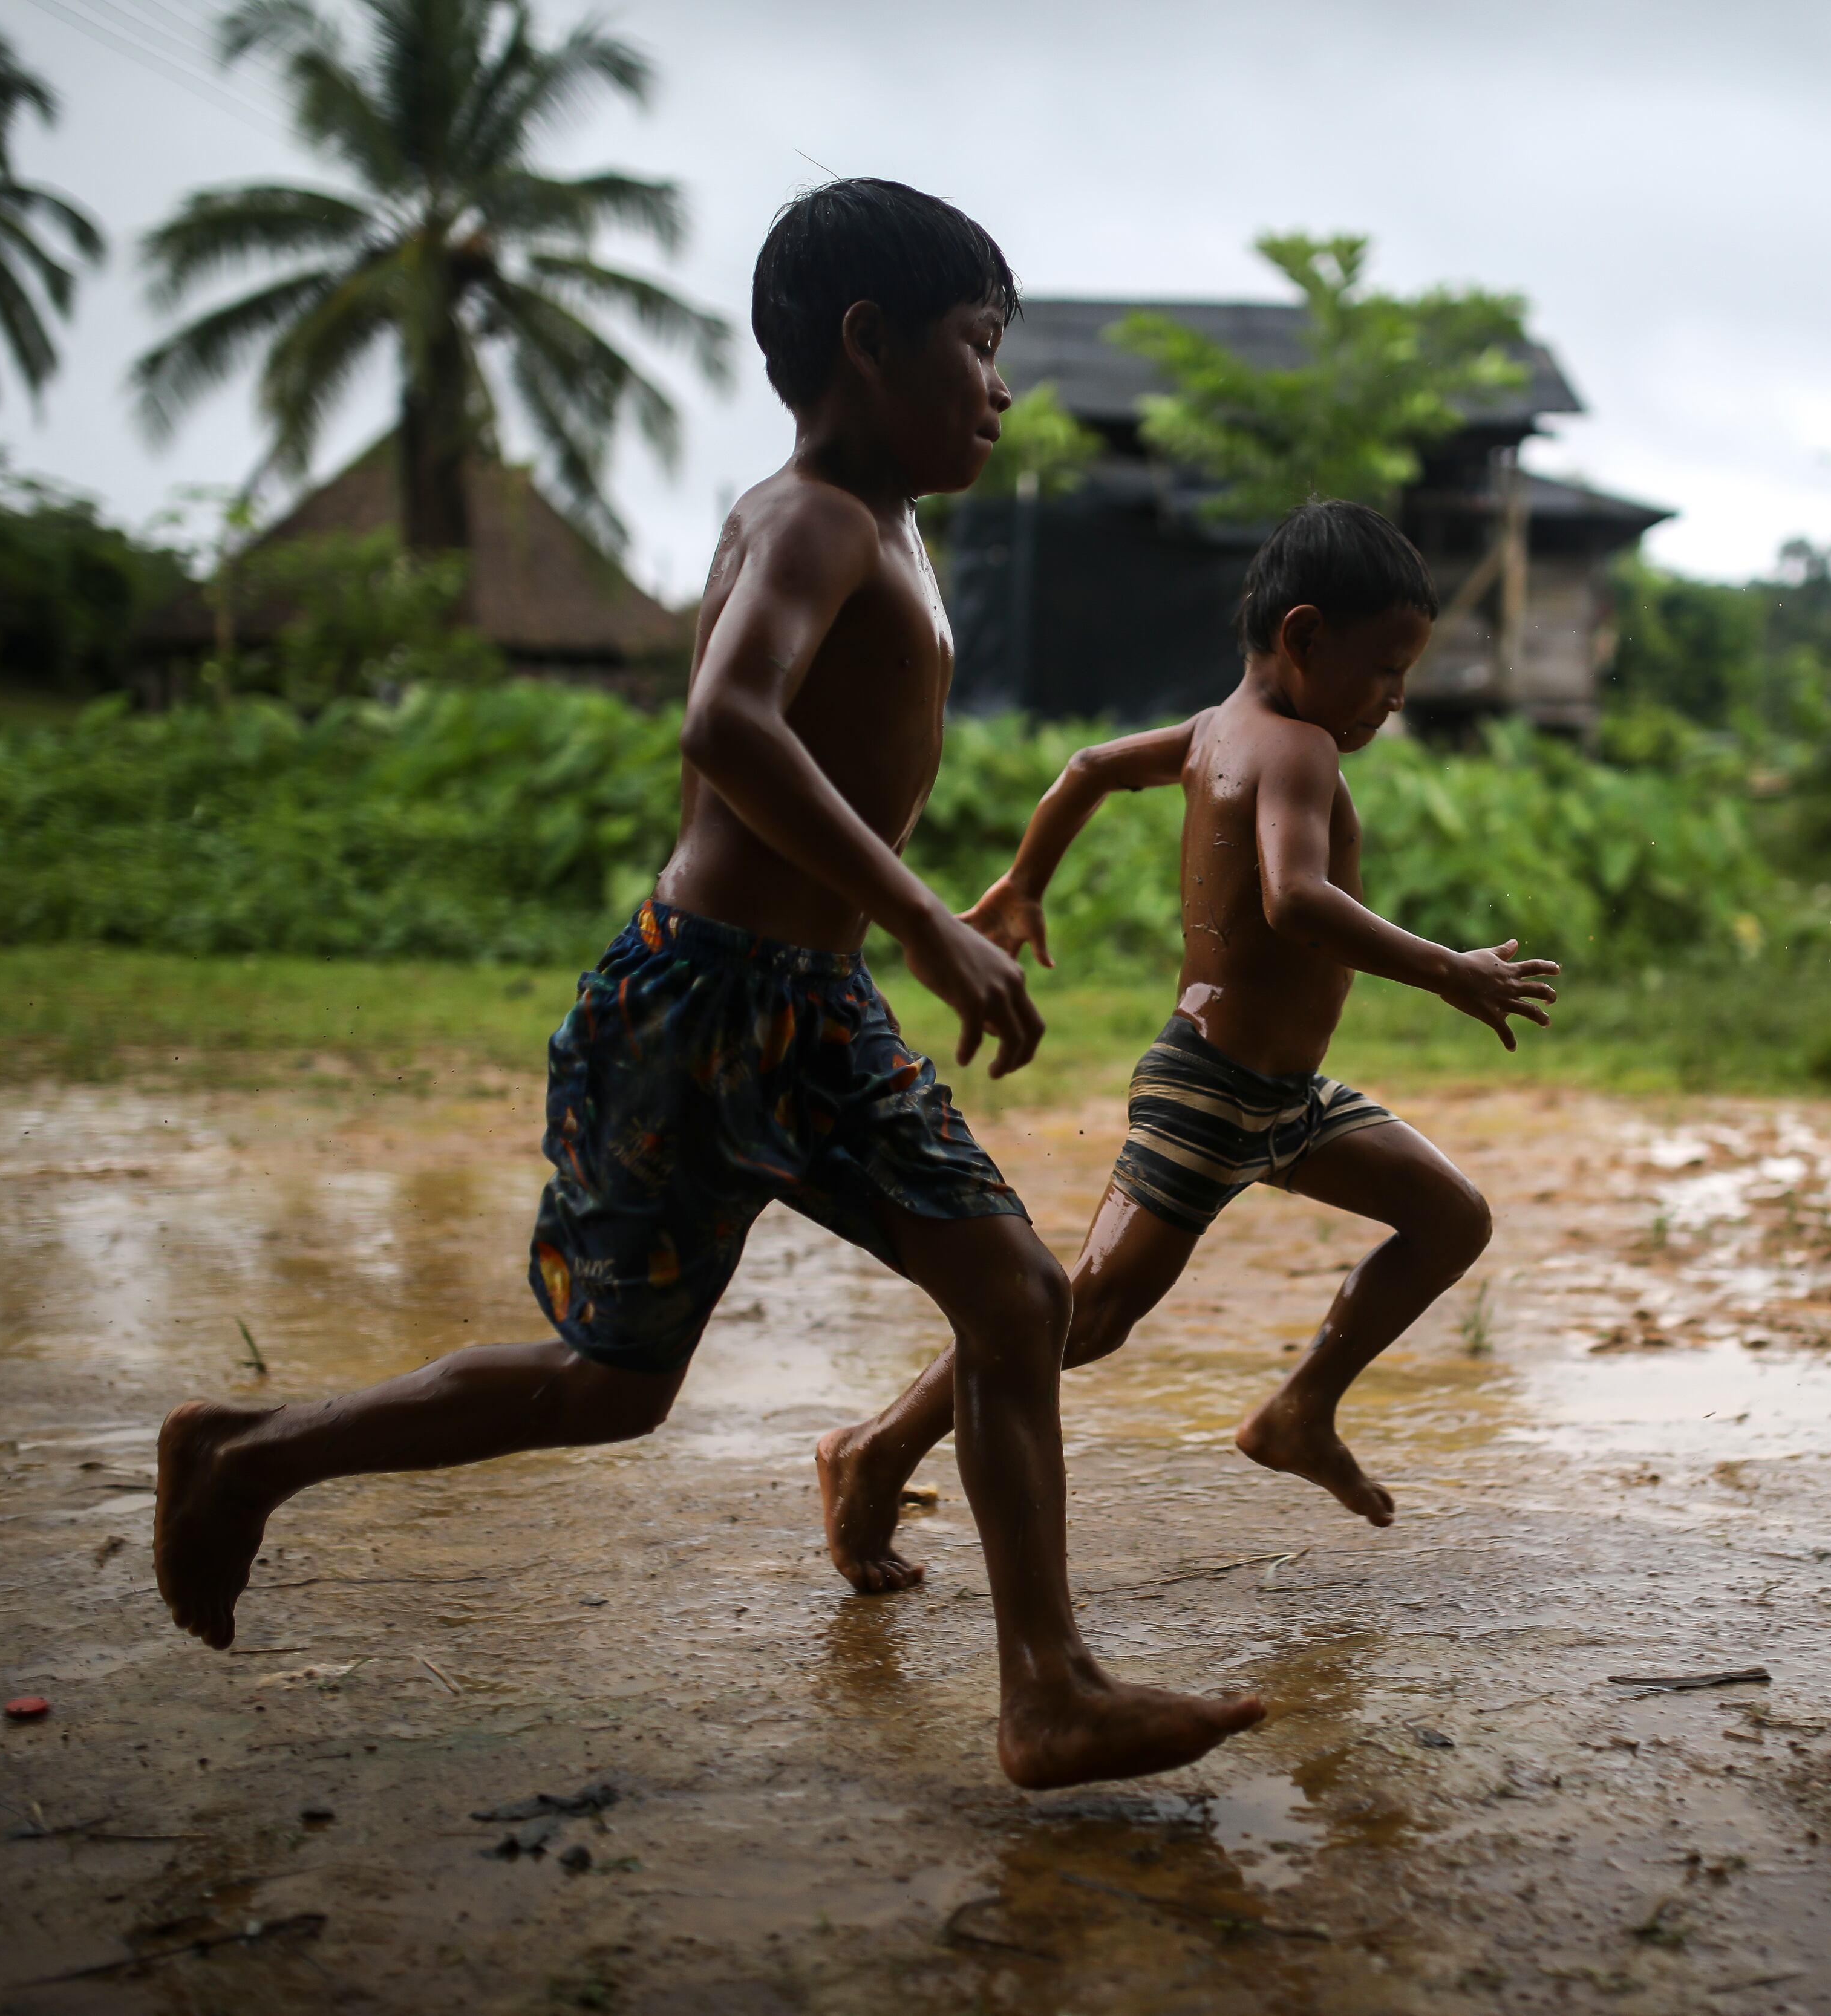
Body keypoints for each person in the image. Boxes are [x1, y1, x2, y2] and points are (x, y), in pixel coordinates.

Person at [150, 179, 1264, 1790]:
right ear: (868, 343)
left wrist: (914, 921)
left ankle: (1047, 1686)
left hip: (811, 1007)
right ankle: (251, 1453)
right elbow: (729, 722)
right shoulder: (811, 515)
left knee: (1017, 1293)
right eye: (976, 345)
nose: (1001, 388)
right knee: (611, 1386)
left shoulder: (888, 523)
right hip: (701, 1005)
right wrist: (920, 917)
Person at [813, 500, 1560, 1594]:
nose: (1397, 697)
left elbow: (1087, 767)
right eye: (1386, 668)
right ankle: (875, 1448)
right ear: (1304, 637)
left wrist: (1025, 881)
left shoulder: (1219, 727)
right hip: (1212, 1090)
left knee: (1452, 1216)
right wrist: (1449, 968)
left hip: (1284, 1098)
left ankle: (1301, 1408)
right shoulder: (1298, 745)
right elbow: (1296, 899)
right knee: (1083, 1313)